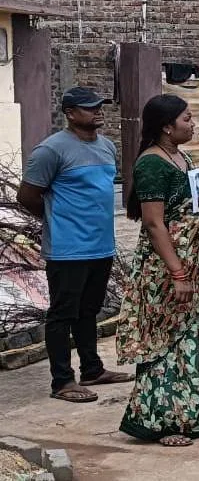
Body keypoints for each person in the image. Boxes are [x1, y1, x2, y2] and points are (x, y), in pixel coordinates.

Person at [118, 94, 199, 446]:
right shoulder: (152, 164)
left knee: (197, 333)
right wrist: (178, 273)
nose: (193, 124)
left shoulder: (181, 157)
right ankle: (165, 421)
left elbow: (184, 204)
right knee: (170, 338)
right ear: (167, 127)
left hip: (196, 262)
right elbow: (155, 224)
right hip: (169, 268)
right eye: (187, 119)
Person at [17, 86, 133, 403]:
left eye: (99, 106)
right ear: (70, 113)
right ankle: (62, 381)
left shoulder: (106, 146)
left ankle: (92, 369)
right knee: (62, 314)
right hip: (67, 248)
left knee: (89, 310)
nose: (98, 111)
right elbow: (27, 196)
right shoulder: (51, 150)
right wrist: (58, 220)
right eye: (89, 107)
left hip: (101, 245)